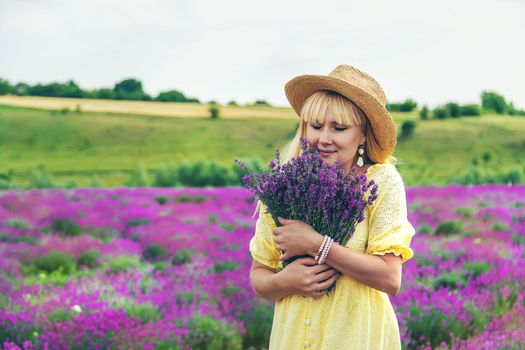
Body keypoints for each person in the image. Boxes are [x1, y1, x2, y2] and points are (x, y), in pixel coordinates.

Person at [248, 64, 416, 349]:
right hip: (293, 337)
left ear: (362, 134)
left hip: (356, 337)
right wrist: (285, 282)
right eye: (315, 126)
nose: (323, 138)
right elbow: (259, 274)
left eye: (339, 128)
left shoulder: (381, 182)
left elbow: (390, 277)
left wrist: (316, 244)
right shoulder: (284, 187)